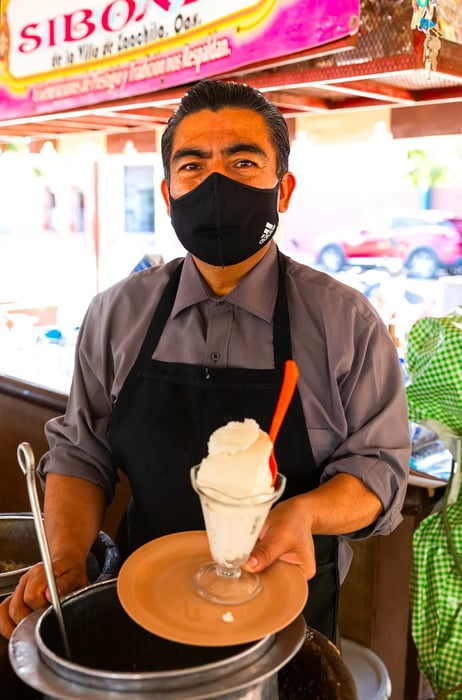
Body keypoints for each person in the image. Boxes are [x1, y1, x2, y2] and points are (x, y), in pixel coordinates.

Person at [0, 79, 410, 643]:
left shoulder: (346, 324)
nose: (216, 184)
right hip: (141, 604)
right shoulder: (116, 314)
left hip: (287, 623)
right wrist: (66, 559)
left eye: (243, 162)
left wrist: (306, 514)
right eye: (192, 166)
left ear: (283, 189)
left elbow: (380, 468)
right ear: (167, 195)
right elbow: (80, 454)